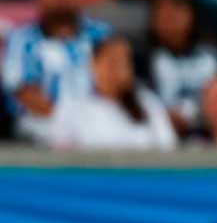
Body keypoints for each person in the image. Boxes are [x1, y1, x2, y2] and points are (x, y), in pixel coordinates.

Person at [0, 0, 109, 143]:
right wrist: (70, 125)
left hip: (98, 123)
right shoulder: (21, 39)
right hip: (40, 125)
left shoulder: (100, 34)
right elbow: (24, 93)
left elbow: (118, 85)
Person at [43, 33, 177, 150]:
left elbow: (167, 148)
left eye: (123, 62)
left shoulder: (147, 102)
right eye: (111, 61)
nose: (116, 69)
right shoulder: (72, 105)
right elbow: (59, 157)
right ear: (93, 64)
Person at [142, 0, 217, 134]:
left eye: (176, 10)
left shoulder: (212, 56)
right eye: (162, 12)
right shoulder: (143, 60)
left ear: (192, 15)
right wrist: (162, 116)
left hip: (209, 129)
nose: (169, 17)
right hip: (160, 132)